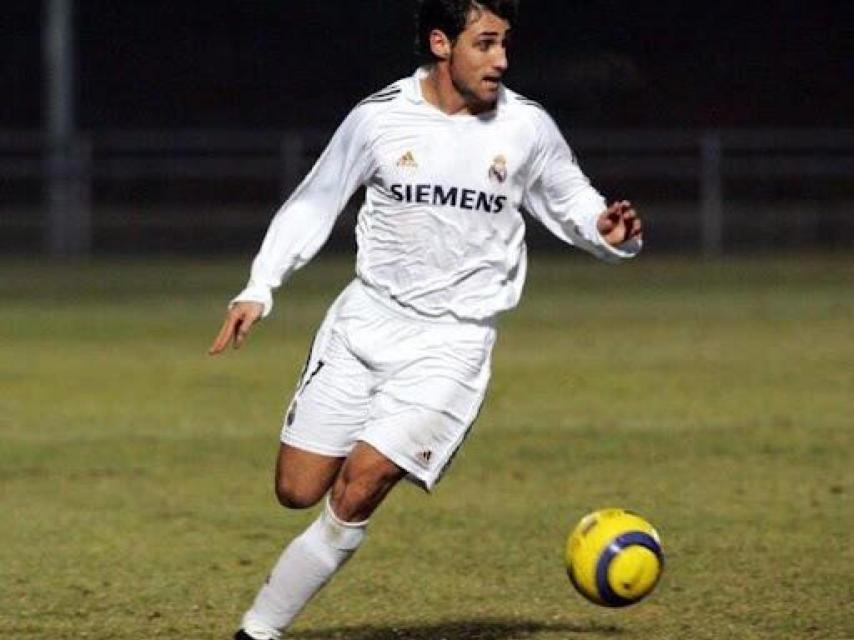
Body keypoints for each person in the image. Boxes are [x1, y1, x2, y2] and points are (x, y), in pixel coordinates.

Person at [209, 1, 642, 638]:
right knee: (297, 489)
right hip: (363, 322)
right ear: (442, 43)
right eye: (485, 43)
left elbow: (576, 202)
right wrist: (260, 285)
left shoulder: (526, 127)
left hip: (452, 344)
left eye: (504, 45)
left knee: (358, 489)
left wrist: (608, 231)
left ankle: (258, 630)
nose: (500, 60)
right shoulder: (378, 118)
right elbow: (316, 200)